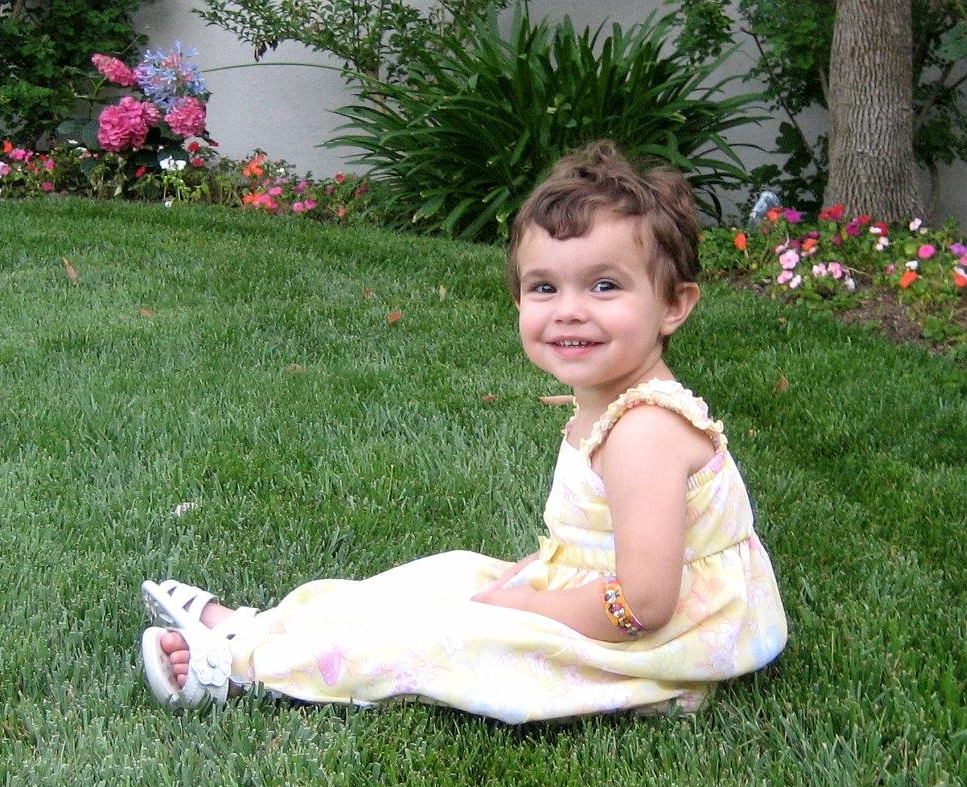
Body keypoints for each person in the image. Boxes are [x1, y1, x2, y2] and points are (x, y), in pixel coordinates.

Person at [140, 140, 788, 722]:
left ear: (673, 304)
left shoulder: (645, 432)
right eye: (544, 287)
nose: (569, 310)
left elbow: (643, 605)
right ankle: (257, 626)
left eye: (603, 285)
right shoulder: (612, 403)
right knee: (448, 576)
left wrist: (523, 608)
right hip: (602, 598)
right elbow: (596, 545)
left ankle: (243, 669)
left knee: (450, 637)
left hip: (657, 642)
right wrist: (531, 579)